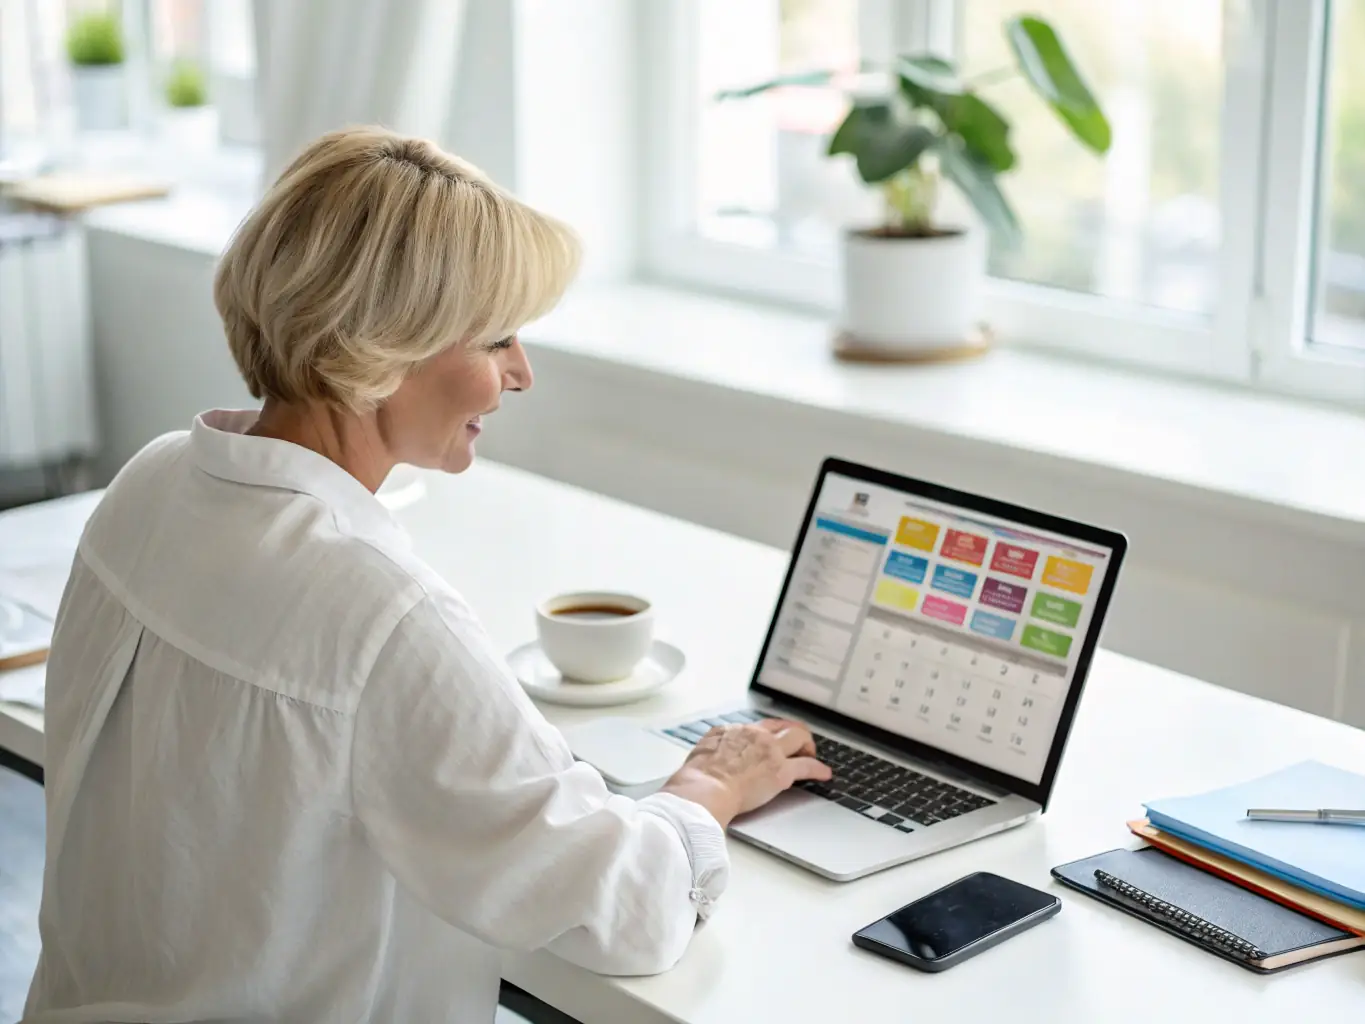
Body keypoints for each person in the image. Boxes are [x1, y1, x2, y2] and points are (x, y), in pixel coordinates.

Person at [23, 126, 831, 1023]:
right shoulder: (377, 610)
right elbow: (625, 912)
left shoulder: (153, 479)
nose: (520, 374)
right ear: (379, 349)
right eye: (495, 341)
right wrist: (706, 786)